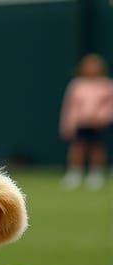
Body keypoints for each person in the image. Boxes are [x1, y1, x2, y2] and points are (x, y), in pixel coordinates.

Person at [60, 53, 113, 189]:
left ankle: (96, 175)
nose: (92, 68)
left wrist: (101, 117)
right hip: (80, 123)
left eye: (95, 65)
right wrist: (68, 125)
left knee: (96, 148)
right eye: (88, 65)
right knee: (77, 147)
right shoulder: (76, 84)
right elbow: (70, 106)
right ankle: (74, 174)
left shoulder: (107, 85)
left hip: (98, 125)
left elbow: (109, 105)